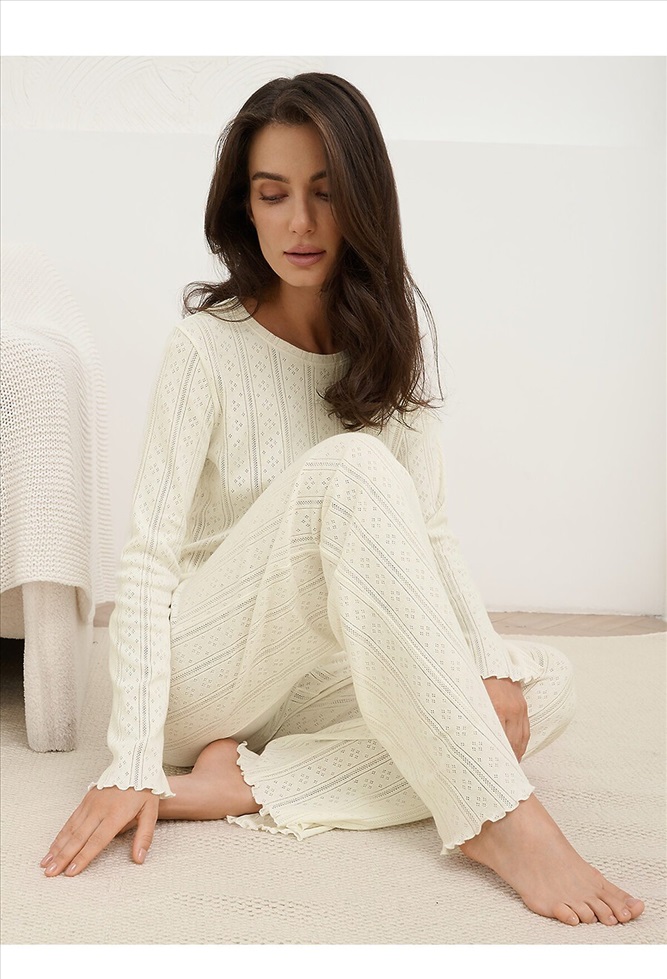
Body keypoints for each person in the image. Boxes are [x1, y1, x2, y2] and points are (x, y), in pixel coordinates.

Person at [40, 72, 644, 928]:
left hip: (310, 675)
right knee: (351, 470)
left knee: (539, 687)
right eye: (273, 194)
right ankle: (498, 820)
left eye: (324, 193)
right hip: (202, 671)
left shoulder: (385, 343)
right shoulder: (204, 348)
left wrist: (485, 665)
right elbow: (144, 563)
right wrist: (133, 758)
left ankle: (239, 785)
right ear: (244, 208)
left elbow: (430, 533)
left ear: (362, 199)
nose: (300, 222)